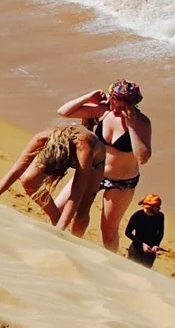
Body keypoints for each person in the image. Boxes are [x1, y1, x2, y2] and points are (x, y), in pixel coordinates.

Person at [57, 81, 153, 253]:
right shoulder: (103, 111)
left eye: (119, 104)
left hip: (121, 183)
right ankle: (72, 249)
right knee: (66, 210)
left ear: (131, 104)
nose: (114, 105)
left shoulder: (142, 122)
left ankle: (110, 262)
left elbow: (143, 157)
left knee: (108, 231)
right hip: (93, 172)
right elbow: (63, 112)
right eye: (112, 100)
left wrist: (131, 126)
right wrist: (88, 97)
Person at [0, 121, 110, 230]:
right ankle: (56, 218)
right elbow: (16, 170)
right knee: (28, 180)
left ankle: (72, 237)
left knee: (81, 213)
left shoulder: (84, 148)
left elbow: (76, 192)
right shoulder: (42, 138)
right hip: (59, 149)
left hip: (95, 164)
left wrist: (60, 230)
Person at [124, 193, 166, 268]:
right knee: (131, 269)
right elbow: (128, 232)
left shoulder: (160, 216)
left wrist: (156, 244)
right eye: (157, 206)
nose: (159, 208)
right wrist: (142, 244)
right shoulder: (137, 216)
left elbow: (160, 233)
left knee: (145, 272)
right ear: (150, 207)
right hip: (136, 248)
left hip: (151, 250)